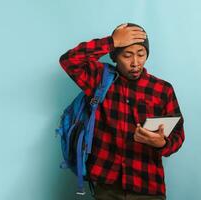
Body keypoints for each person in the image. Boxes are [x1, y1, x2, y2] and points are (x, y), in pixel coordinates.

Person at [59, 23, 185, 200]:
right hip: (107, 186)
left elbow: (178, 135)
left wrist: (161, 144)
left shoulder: (162, 89)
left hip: (147, 186)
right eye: (127, 55)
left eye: (141, 54)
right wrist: (112, 41)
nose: (135, 63)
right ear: (115, 56)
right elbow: (69, 61)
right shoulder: (99, 79)